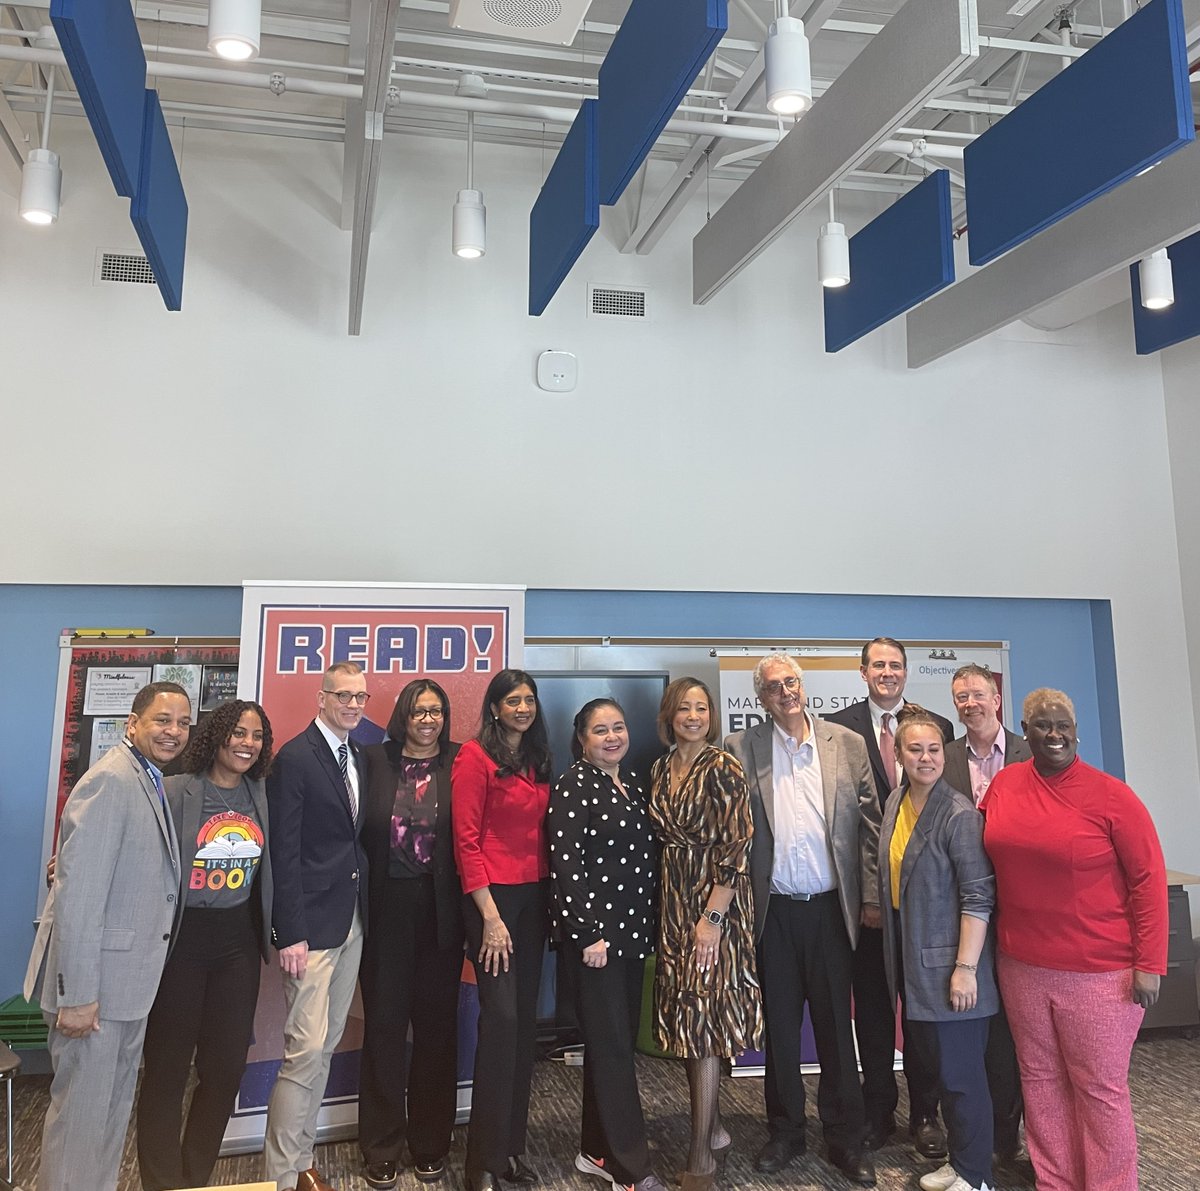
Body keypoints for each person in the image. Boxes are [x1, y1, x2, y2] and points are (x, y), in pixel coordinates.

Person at [982, 688, 1167, 1191]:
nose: (1055, 734)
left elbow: (1148, 880)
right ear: (1024, 729)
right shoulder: (1003, 785)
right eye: (1042, 724)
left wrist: (1150, 963)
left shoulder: (1112, 796)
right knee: (1040, 1084)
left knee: (1098, 1090)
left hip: (1099, 971)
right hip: (1020, 963)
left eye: (1063, 723)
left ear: (1076, 727)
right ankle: (1056, 1181)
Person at [25, 681, 192, 1191]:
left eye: (183, 723)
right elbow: (78, 898)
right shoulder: (111, 781)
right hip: (93, 993)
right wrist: (77, 996)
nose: (174, 732)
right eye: (162, 720)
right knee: (81, 1125)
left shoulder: (148, 778)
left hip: (124, 990)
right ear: (133, 724)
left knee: (108, 1120)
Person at [725, 656, 878, 1187]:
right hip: (774, 915)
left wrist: (874, 897)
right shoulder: (740, 748)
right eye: (773, 687)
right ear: (761, 698)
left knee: (838, 1031)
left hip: (834, 913)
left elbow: (870, 829)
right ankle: (786, 1132)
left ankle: (845, 1139)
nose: (785, 692)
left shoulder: (846, 743)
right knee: (782, 1034)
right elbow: (733, 833)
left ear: (803, 686)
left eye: (791, 682)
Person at [137, 699, 275, 1191]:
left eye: (256, 735)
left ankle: (194, 1178)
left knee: (224, 1071)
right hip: (181, 946)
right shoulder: (174, 790)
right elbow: (131, 844)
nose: (246, 743)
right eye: (237, 732)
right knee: (167, 1073)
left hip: (238, 945)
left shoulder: (262, 792)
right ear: (217, 735)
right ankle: (160, 1181)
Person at [826, 637, 953, 1159]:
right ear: (862, 672)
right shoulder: (838, 729)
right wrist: (869, 894)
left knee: (923, 1012)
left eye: (896, 665)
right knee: (874, 1012)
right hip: (868, 901)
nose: (887, 672)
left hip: (927, 901)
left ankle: (926, 1114)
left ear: (907, 671)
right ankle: (878, 1111)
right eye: (877, 664)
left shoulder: (937, 727)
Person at [879, 707, 997, 1191]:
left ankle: (977, 1176)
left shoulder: (959, 815)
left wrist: (965, 968)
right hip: (914, 966)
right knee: (939, 1074)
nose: (926, 758)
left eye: (933, 750)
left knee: (963, 1078)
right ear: (898, 753)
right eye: (915, 749)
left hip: (953, 970)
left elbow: (979, 896)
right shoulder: (897, 801)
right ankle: (960, 1161)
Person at [264, 660, 371, 1191]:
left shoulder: (357, 758)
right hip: (310, 929)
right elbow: (283, 851)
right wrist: (290, 931)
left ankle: (302, 1161)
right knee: (303, 1052)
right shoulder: (296, 758)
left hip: (351, 922)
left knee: (324, 1045)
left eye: (361, 696)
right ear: (321, 697)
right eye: (344, 695)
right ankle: (281, 1177)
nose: (354, 704)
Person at [651, 677, 762, 1191]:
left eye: (702, 708)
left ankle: (701, 1160)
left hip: (714, 913)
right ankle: (713, 1127)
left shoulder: (723, 767)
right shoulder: (658, 767)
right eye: (684, 708)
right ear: (669, 714)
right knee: (686, 1019)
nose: (693, 715)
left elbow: (739, 847)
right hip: (673, 909)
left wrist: (713, 919)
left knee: (703, 1025)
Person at [550, 699, 664, 1191]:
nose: (612, 736)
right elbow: (566, 866)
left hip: (632, 939)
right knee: (615, 1051)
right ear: (582, 739)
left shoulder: (632, 785)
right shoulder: (574, 785)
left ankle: (596, 1150)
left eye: (618, 727)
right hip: (597, 943)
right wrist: (587, 932)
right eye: (600, 730)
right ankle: (631, 1169)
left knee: (607, 1047)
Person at [358, 680, 464, 1190]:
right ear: (404, 714)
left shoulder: (462, 761)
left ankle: (430, 1143)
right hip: (385, 913)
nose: (428, 719)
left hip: (442, 915)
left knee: (437, 1033)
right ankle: (380, 1144)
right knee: (382, 1029)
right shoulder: (372, 761)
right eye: (419, 710)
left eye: (437, 711)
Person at [452, 669, 553, 1191]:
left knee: (522, 1032)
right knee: (501, 1024)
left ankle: (511, 1150)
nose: (522, 707)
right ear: (494, 707)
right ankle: (482, 1164)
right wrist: (490, 918)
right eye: (512, 700)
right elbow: (466, 843)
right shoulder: (474, 757)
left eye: (529, 699)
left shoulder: (538, 758)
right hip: (492, 905)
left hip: (534, 902)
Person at [941, 663, 1031, 1171]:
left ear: (996, 697)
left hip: (1022, 909)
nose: (969, 704)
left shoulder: (1029, 752)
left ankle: (1008, 1134)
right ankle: (972, 1136)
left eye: (977, 694)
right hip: (963, 912)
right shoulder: (945, 756)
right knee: (972, 1028)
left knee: (1017, 1035)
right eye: (960, 698)